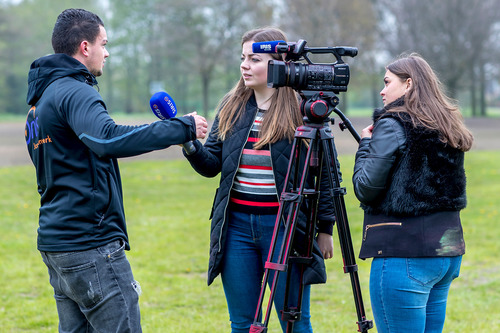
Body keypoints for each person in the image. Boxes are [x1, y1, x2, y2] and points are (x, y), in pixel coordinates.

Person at [24, 8, 207, 332]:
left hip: (57, 247)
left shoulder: (38, 107)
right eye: (103, 44)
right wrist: (182, 128)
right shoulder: (75, 91)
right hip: (89, 244)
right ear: (84, 47)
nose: (106, 52)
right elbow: (106, 138)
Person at [182, 27, 336, 332]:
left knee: (294, 322)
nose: (244, 65)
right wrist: (188, 144)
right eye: (243, 57)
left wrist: (325, 228)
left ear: (279, 63)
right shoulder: (231, 107)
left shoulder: (302, 108)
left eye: (254, 58)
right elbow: (211, 165)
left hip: (285, 227)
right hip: (236, 227)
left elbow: (327, 174)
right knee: (243, 324)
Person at [352, 53, 474, 333]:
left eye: (387, 82)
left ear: (408, 85)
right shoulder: (445, 123)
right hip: (446, 254)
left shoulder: (392, 123)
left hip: (403, 253)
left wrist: (366, 145)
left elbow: (365, 189)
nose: (382, 90)